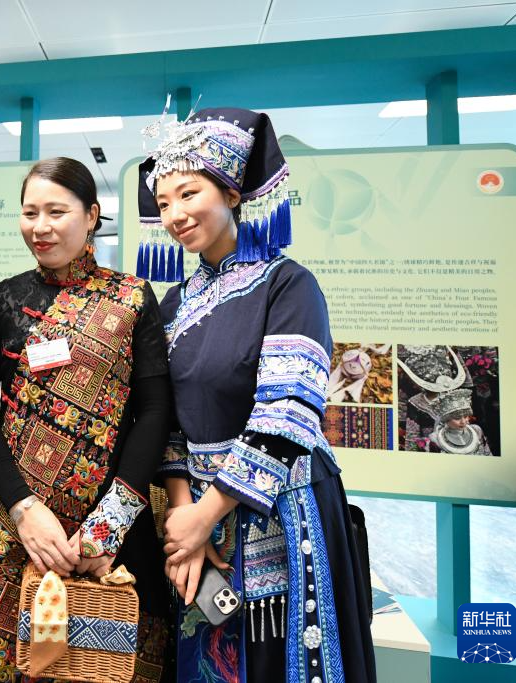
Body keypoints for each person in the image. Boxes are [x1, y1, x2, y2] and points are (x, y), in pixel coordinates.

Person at [142, 108, 376, 682]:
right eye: (163, 202)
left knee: (281, 660)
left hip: (282, 510)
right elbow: (167, 419)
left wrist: (205, 515)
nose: (174, 215)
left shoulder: (289, 284)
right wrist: (183, 516)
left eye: (188, 194)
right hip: (198, 516)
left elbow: (288, 413)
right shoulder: (173, 303)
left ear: (232, 193)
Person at [0, 157, 171, 681]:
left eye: (57, 212)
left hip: (109, 533)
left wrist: (110, 522)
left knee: (100, 668)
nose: (41, 227)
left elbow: (156, 410)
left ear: (92, 215)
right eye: (30, 213)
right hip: (19, 527)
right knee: (8, 664)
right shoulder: (2, 300)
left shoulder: (132, 298)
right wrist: (22, 508)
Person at [426, 388, 492, 455]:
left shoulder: (476, 430)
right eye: (457, 418)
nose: (463, 422)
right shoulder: (436, 439)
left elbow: (487, 453)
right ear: (446, 419)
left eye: (465, 416)